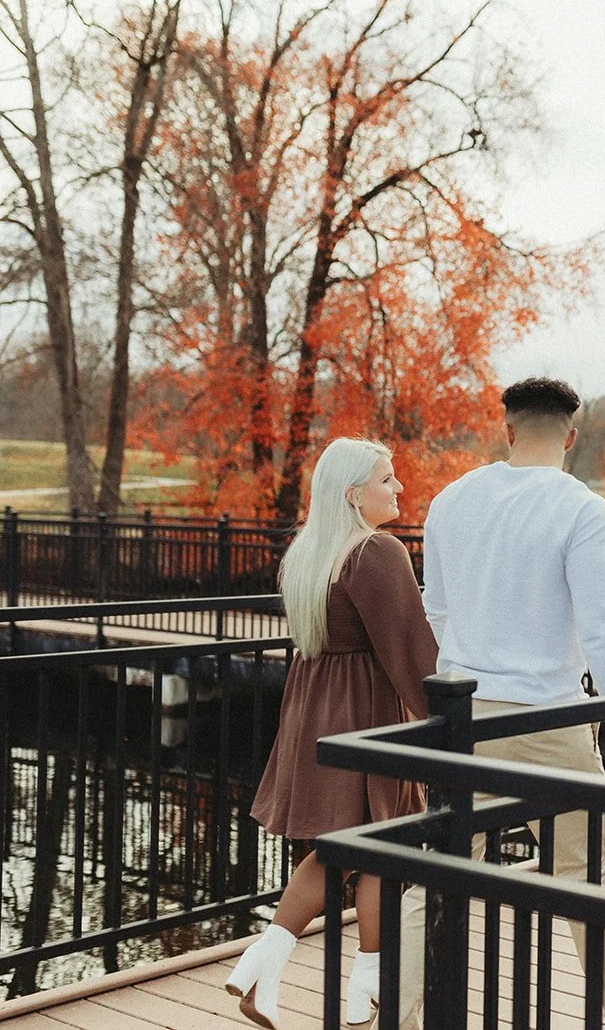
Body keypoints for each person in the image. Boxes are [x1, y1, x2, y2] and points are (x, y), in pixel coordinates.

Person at [398, 377, 605, 1030]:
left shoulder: (451, 500)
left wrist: (465, 665)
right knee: (583, 876)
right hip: (550, 718)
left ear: (507, 430)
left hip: (463, 715)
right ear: (571, 437)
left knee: (439, 870)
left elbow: (436, 608)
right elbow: (603, 629)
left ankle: (396, 1011)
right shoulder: (583, 508)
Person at [225, 438, 438, 1029]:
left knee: (367, 846)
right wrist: (446, 717)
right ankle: (348, 983)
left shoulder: (309, 552)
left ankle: (292, 973)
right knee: (372, 842)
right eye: (388, 479)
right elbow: (411, 653)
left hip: (316, 707)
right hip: (366, 711)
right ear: (353, 493)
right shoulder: (377, 552)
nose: (399, 488)